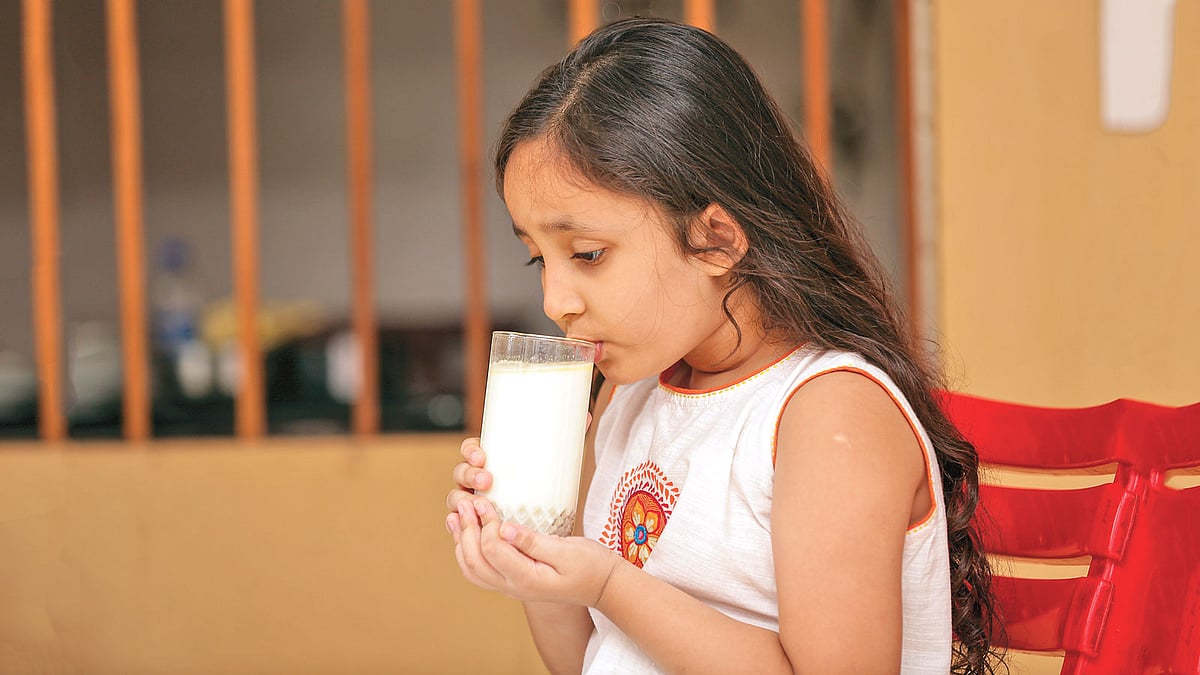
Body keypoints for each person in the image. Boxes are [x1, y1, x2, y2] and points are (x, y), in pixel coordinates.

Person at [445, 16, 999, 674]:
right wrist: (534, 555)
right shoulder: (634, 395)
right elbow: (590, 661)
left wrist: (607, 583)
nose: (555, 299)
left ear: (716, 238)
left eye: (588, 253)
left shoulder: (827, 415)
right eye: (541, 260)